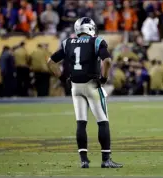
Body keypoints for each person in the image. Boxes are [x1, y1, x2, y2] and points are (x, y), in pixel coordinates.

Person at [47, 17, 123, 168]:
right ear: (91, 28)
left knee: (81, 122)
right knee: (102, 121)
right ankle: (106, 159)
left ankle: (83, 160)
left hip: (75, 87)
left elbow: (50, 62)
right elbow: (107, 61)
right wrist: (104, 78)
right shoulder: (96, 41)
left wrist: (63, 78)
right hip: (92, 85)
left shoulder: (68, 42)